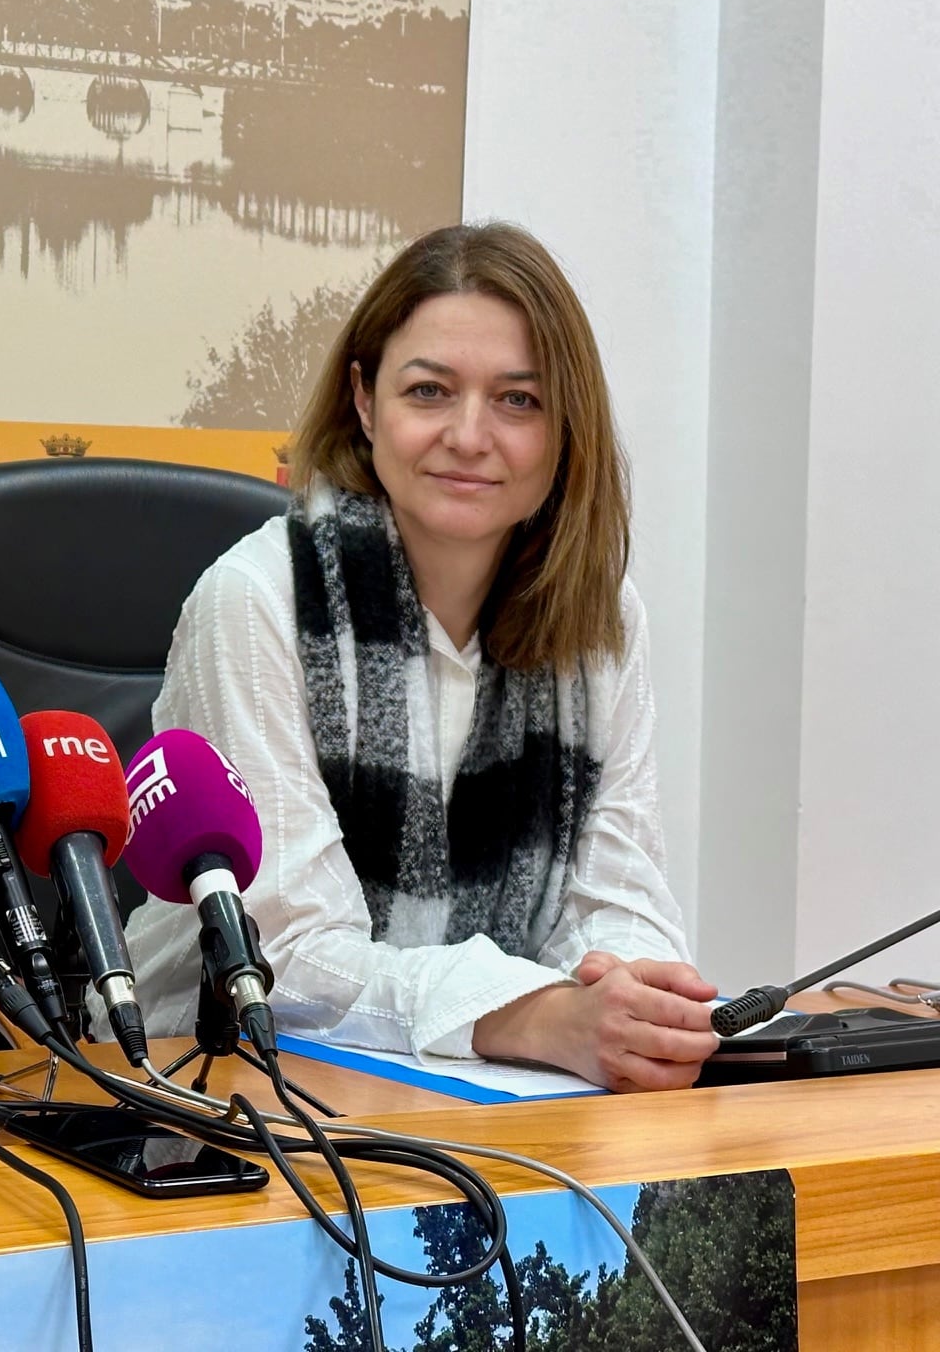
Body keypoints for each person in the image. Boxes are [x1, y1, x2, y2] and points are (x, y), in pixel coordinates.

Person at [125, 222, 717, 1093]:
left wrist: (632, 1003)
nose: (470, 436)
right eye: (430, 390)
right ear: (365, 402)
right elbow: (286, 960)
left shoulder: (601, 617)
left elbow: (620, 897)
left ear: (565, 429)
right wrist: (537, 1016)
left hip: (498, 1096)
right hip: (224, 1085)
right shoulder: (257, 601)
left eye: (520, 401)